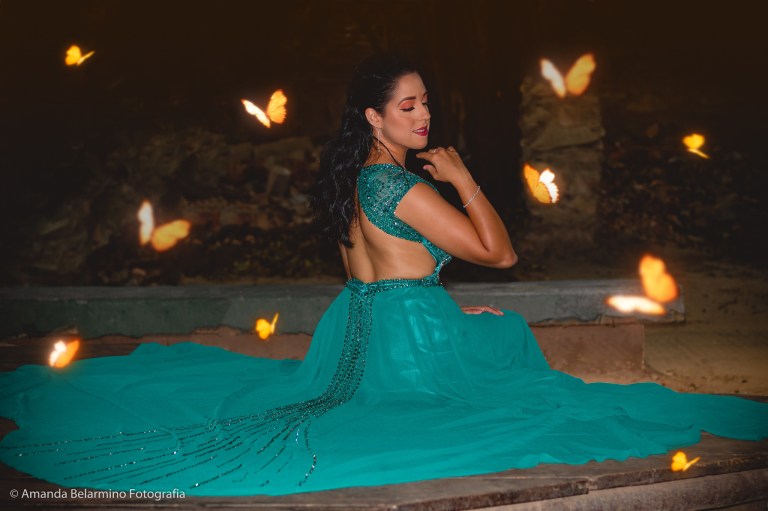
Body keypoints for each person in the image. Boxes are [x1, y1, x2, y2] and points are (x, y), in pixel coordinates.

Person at [0, 54, 766, 498]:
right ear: (373, 117)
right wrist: (463, 180)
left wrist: (442, 311)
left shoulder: (352, 179)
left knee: (488, 332)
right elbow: (500, 255)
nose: (422, 116)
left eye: (425, 102)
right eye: (407, 106)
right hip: (407, 339)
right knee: (525, 369)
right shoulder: (401, 186)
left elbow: (386, 274)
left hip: (358, 326)